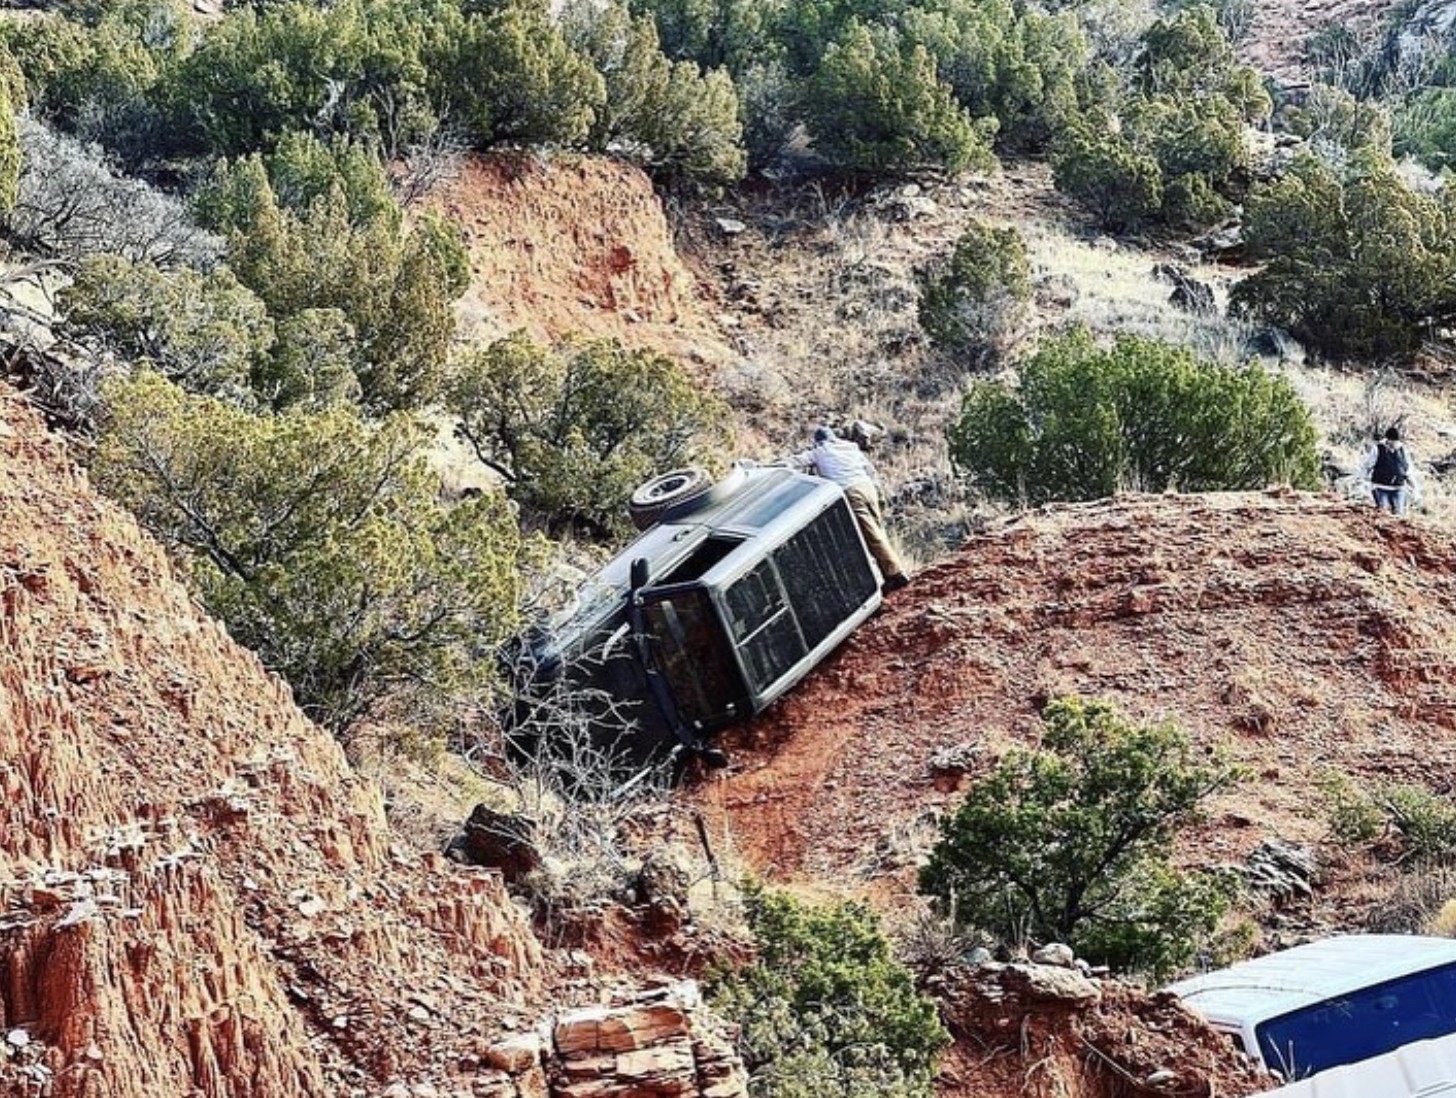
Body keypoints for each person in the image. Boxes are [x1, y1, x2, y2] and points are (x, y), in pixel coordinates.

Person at [789, 426, 911, 593]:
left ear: (818, 442)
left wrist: (765, 466)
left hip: (850, 492)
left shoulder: (819, 451)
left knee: (870, 535)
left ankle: (896, 575)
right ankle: (888, 574)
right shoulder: (850, 447)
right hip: (867, 487)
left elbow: (795, 462)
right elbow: (870, 470)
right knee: (878, 529)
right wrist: (879, 491)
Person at [1360, 426, 1418, 516]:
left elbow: (1408, 471)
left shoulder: (1403, 451)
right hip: (1380, 487)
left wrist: (1415, 489)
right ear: (1388, 440)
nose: (1395, 444)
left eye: (1397, 442)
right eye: (1393, 441)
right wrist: (1364, 484)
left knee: (1400, 515)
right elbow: (1367, 466)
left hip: (1399, 488)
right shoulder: (1378, 449)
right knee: (1384, 514)